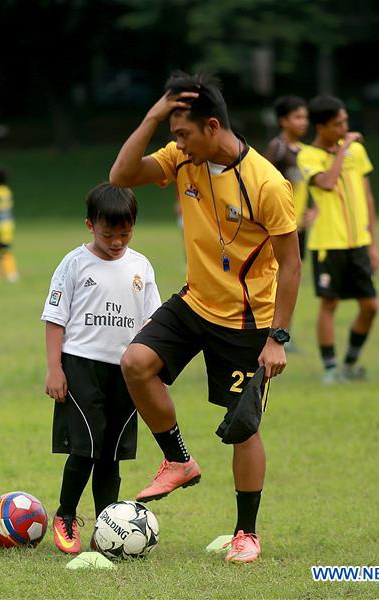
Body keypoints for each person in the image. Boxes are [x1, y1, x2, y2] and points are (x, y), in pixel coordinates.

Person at [109, 71, 301, 564]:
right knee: (135, 363)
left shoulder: (268, 184)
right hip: (194, 302)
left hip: (247, 320)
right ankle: (177, 459)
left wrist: (277, 336)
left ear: (212, 126)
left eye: (182, 132)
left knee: (243, 427)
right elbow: (121, 176)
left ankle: (246, 533)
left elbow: (292, 263)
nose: (175, 143)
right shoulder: (183, 160)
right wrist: (155, 115)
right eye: (172, 134)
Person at [42, 183, 161, 554]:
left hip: (126, 372)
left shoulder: (141, 265)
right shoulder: (74, 263)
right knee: (85, 447)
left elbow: (152, 323)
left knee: (112, 453)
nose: (116, 242)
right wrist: (54, 369)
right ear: (89, 225)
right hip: (80, 364)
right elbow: (54, 319)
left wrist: (153, 373)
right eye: (108, 233)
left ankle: (106, 527)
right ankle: (64, 517)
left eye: (124, 234)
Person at [298, 96, 379, 384]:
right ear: (321, 127)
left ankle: (349, 364)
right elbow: (328, 184)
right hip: (328, 243)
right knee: (329, 304)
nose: (345, 128)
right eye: (338, 124)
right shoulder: (308, 156)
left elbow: (367, 196)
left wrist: (373, 243)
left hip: (358, 242)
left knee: (371, 306)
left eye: (345, 121)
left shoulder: (356, 152)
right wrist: (343, 149)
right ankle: (330, 369)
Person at [266, 96, 312, 259]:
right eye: (298, 117)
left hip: (300, 225)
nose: (303, 122)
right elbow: (263, 183)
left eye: (305, 118)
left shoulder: (306, 151)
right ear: (283, 121)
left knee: (294, 271)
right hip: (281, 225)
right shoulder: (277, 147)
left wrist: (312, 211)